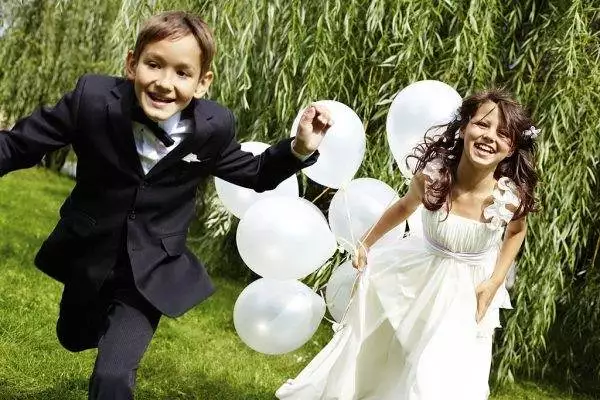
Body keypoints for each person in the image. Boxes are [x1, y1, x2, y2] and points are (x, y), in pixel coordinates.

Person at [0, 10, 332, 400]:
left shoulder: (213, 127)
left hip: (152, 269)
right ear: (131, 63)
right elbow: (20, 144)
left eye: (182, 72)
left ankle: (118, 346)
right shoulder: (91, 100)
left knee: (113, 376)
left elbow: (255, 173)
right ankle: (90, 323)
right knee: (72, 337)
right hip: (91, 252)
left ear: (202, 82)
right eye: (153, 65)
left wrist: (299, 148)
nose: (164, 83)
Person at [276, 89, 539, 400]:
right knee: (396, 355)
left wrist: (495, 281)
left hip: (467, 293)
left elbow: (515, 233)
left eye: (503, 133)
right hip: (420, 277)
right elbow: (403, 207)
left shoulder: (508, 197)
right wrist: (366, 243)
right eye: (482, 124)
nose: (489, 136)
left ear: (510, 149)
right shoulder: (434, 177)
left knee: (445, 372)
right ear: (465, 126)